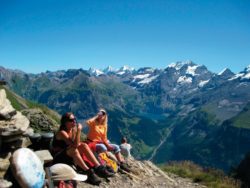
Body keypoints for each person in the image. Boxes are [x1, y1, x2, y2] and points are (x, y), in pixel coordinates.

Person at [51, 112, 113, 185]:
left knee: (84, 145)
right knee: (74, 150)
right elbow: (74, 145)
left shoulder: (72, 130)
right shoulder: (62, 133)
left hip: (67, 154)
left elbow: (78, 143)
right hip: (58, 157)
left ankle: (99, 168)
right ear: (65, 122)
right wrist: (79, 131)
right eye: (71, 120)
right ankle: (89, 173)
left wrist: (76, 132)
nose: (74, 121)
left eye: (74, 119)